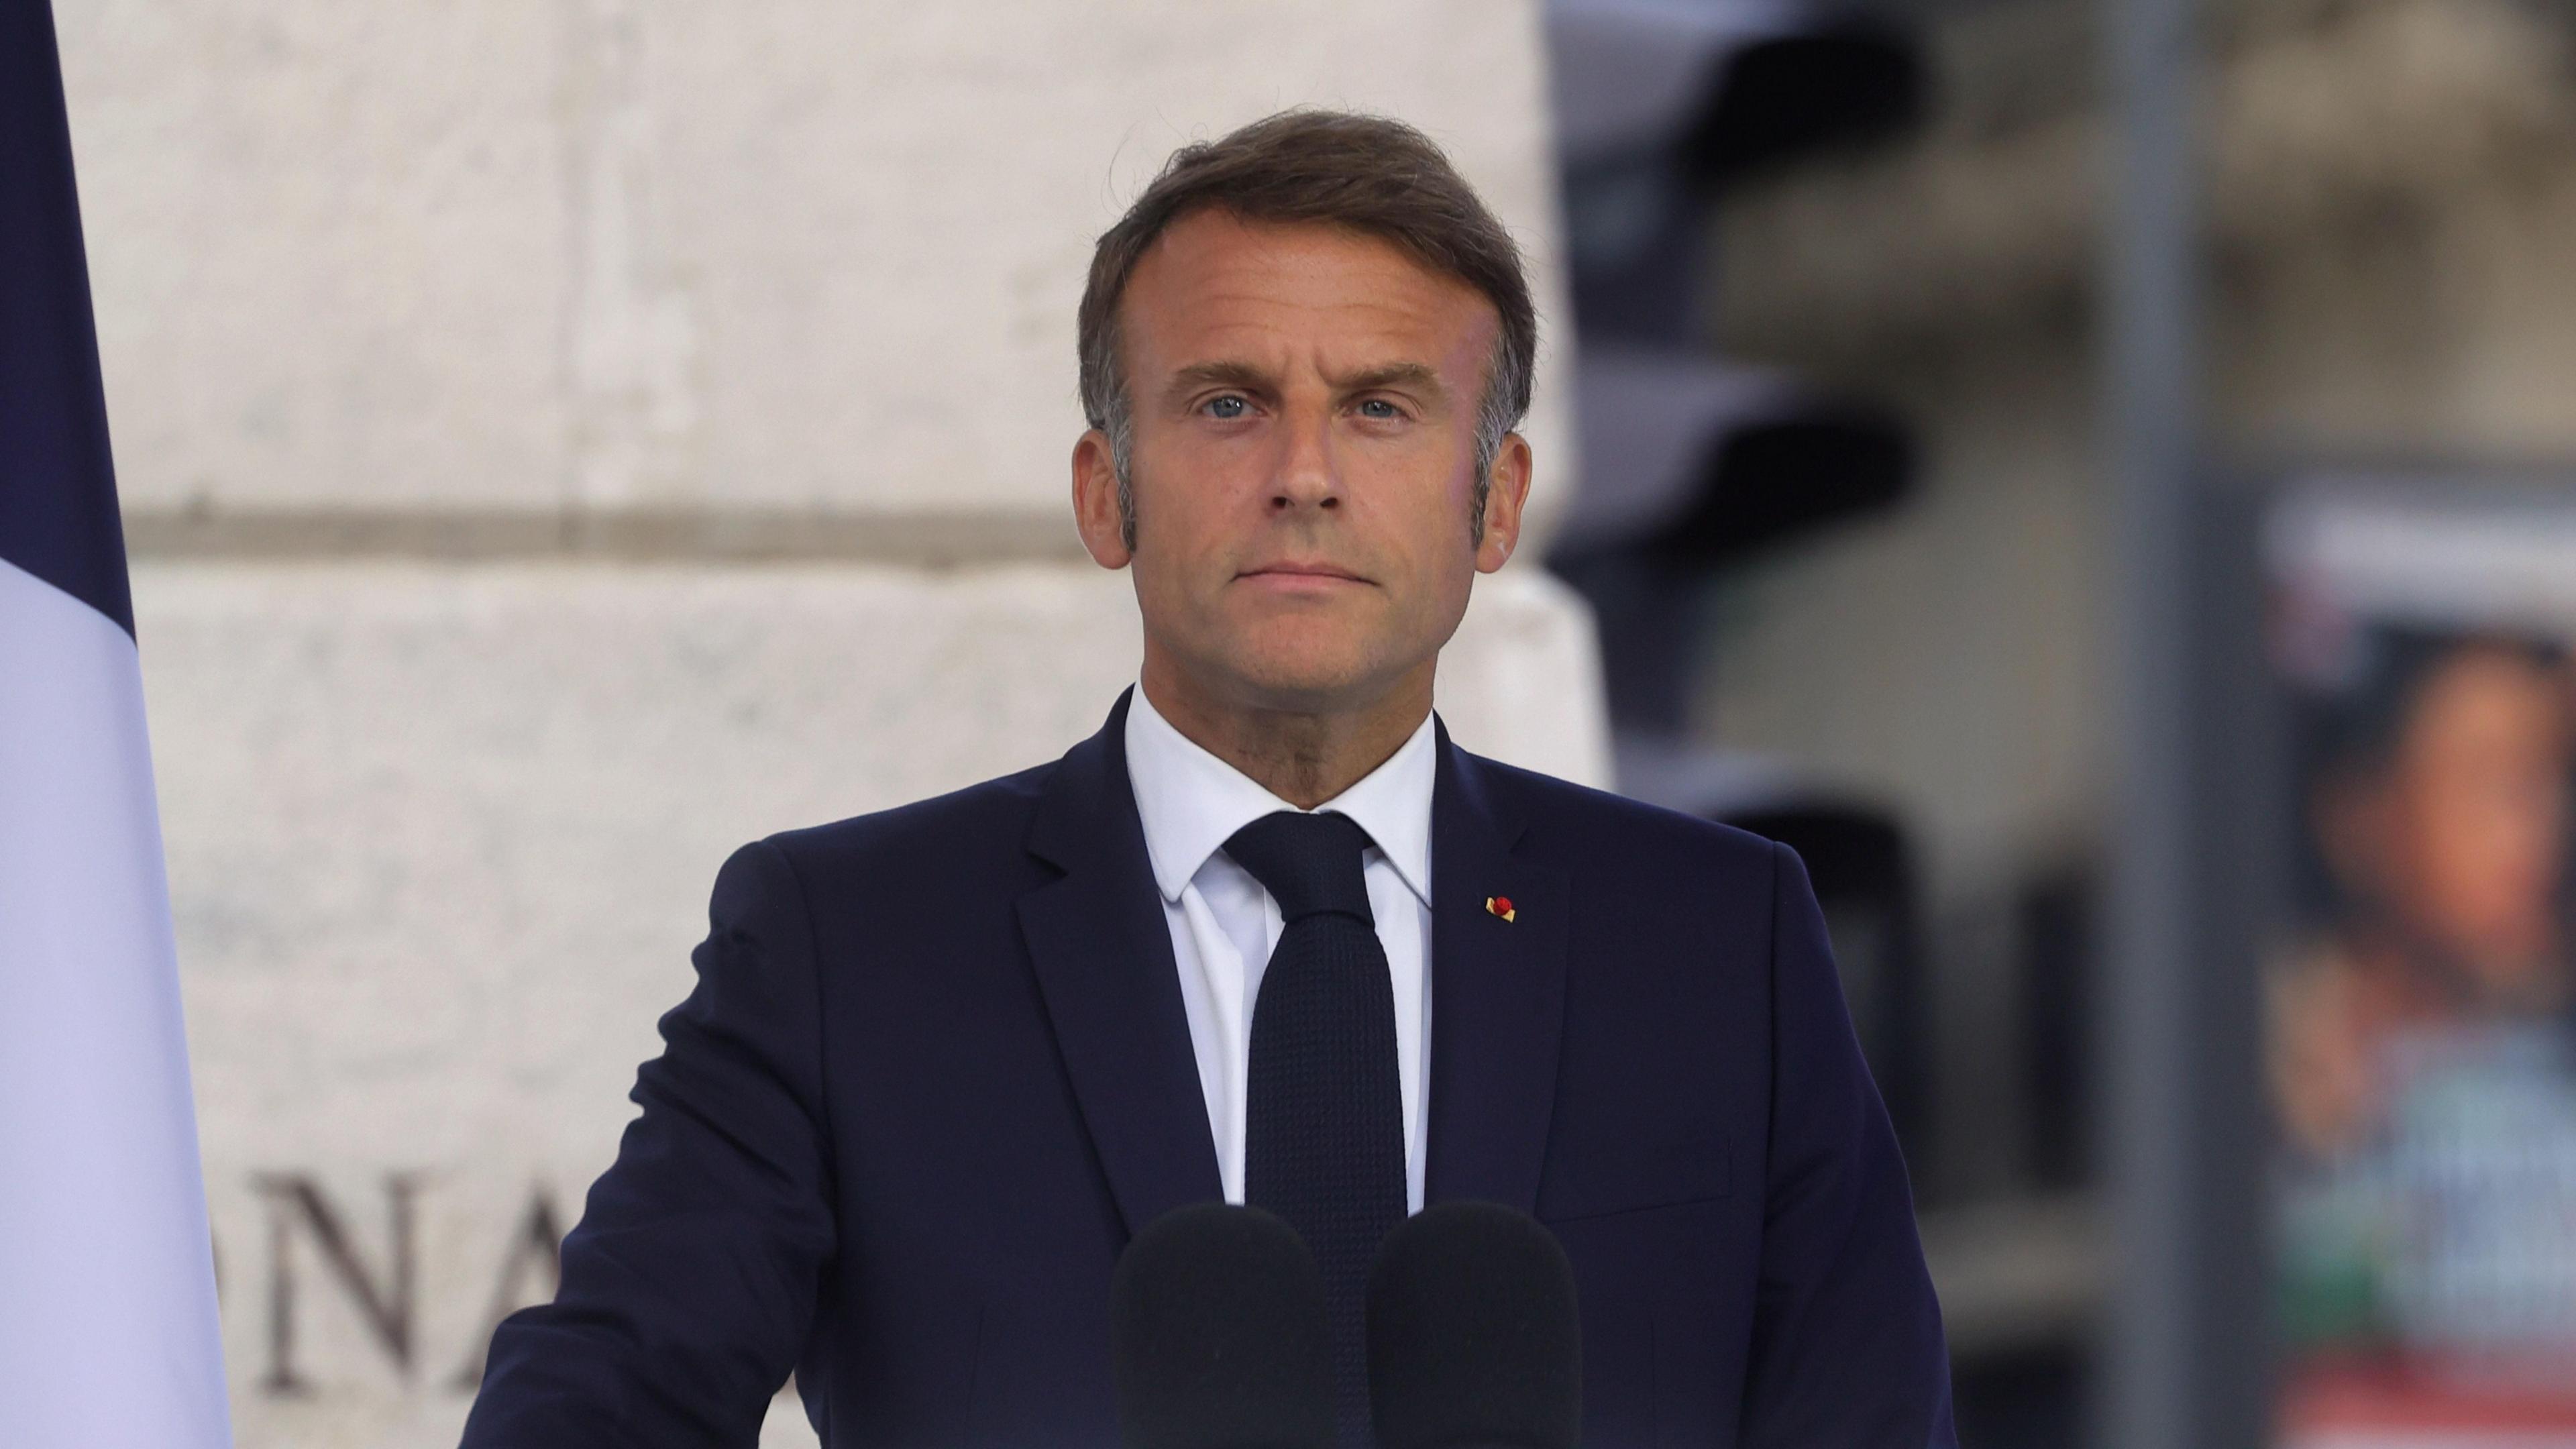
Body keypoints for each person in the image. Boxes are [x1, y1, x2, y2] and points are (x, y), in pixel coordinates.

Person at [460, 109, 1951, 1449]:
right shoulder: (850, 946)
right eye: (1229, 403)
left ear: (1493, 504)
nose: (1304, 473)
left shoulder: (1712, 945)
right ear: (1107, 493)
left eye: (1380, 407)